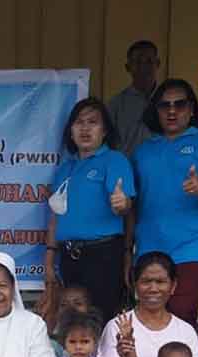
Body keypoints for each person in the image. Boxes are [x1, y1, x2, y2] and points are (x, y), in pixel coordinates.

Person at [133, 79, 198, 324]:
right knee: (151, 317)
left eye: (180, 104)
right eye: (165, 105)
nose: (172, 110)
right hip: (149, 245)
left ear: (192, 109)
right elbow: (132, 206)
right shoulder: (143, 151)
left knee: (181, 314)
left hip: (193, 244)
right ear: (155, 111)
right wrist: (127, 251)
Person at [44, 97, 137, 322]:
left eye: (92, 122)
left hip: (103, 255)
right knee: (71, 324)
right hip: (68, 256)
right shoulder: (64, 169)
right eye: (79, 122)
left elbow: (126, 207)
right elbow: (56, 216)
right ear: (71, 130)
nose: (85, 128)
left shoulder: (114, 160)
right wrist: (48, 261)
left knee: (101, 320)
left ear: (104, 131)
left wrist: (122, 204)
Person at [108, 40, 159, 156]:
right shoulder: (115, 105)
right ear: (127, 67)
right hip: (127, 171)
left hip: (160, 170)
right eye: (137, 62)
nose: (143, 67)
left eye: (149, 61)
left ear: (158, 64)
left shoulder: (168, 102)